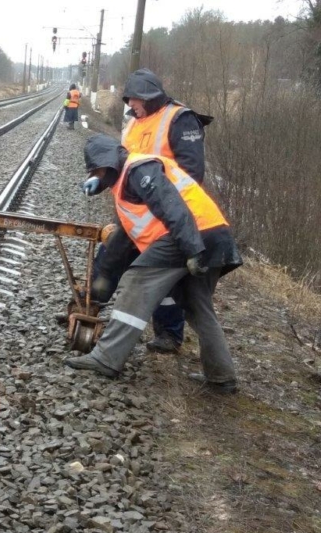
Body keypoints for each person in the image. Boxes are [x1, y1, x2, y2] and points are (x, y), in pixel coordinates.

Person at [66, 135, 241, 394]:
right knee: (197, 306)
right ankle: (222, 377)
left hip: (191, 234)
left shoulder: (138, 169)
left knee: (136, 283)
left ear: (108, 163)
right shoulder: (125, 183)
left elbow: (173, 208)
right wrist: (100, 284)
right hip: (213, 234)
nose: (97, 175)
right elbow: (122, 243)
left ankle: (106, 359)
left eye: (97, 170)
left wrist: (193, 249)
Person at [116, 68, 214, 353]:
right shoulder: (134, 122)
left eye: (133, 99)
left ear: (147, 95)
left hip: (170, 215)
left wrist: (165, 205)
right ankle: (90, 308)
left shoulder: (180, 120)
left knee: (164, 278)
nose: (130, 106)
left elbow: (192, 173)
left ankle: (169, 334)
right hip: (138, 209)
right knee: (111, 256)